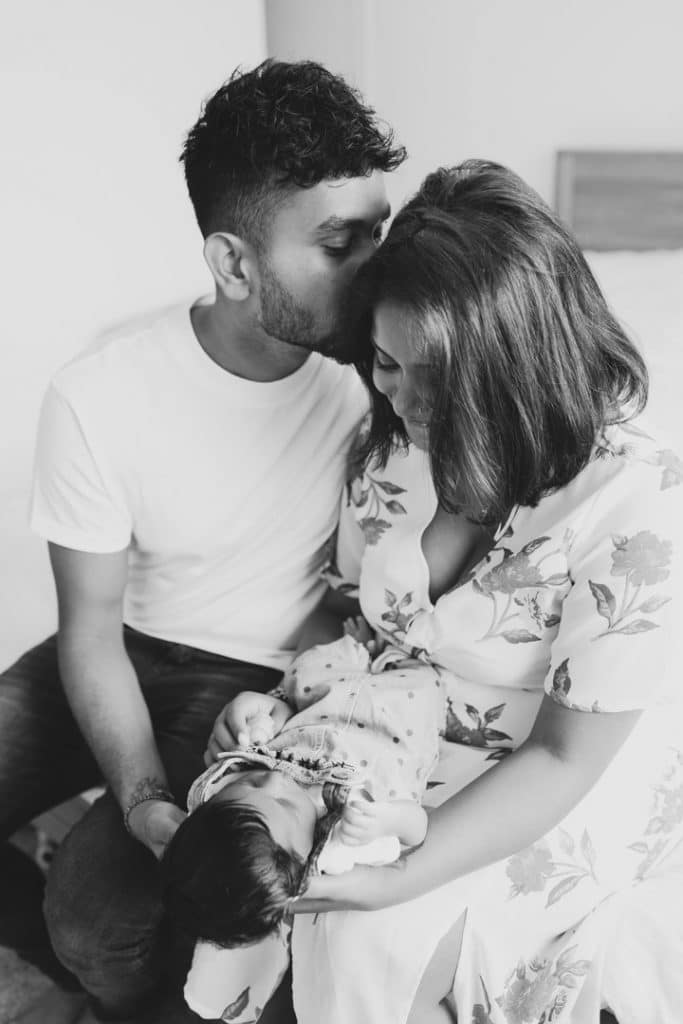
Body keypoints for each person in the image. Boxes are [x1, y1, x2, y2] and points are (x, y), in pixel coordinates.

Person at [198, 160, 683, 1023]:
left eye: (444, 376)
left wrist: (398, 878)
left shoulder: (639, 501)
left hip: (543, 764)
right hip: (383, 732)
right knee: (262, 886)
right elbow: (355, 611)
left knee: (369, 937)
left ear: (522, 365)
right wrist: (276, 708)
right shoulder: (388, 445)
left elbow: (566, 757)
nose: (411, 402)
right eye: (388, 362)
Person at [0, 58, 404, 1022]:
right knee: (85, 893)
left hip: (252, 678)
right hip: (125, 646)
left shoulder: (386, 374)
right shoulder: (102, 392)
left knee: (98, 924)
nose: (375, 269)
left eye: (377, 233)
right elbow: (91, 634)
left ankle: (121, 988)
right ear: (232, 263)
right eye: (340, 245)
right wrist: (140, 799)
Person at [162, 621, 444, 1022]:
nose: (278, 778)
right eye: (288, 805)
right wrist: (386, 821)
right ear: (304, 856)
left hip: (329, 685)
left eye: (255, 782)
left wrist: (256, 715)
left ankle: (370, 640)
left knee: (309, 669)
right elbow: (418, 828)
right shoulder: (342, 837)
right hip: (403, 707)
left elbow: (277, 712)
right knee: (426, 675)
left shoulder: (227, 795)